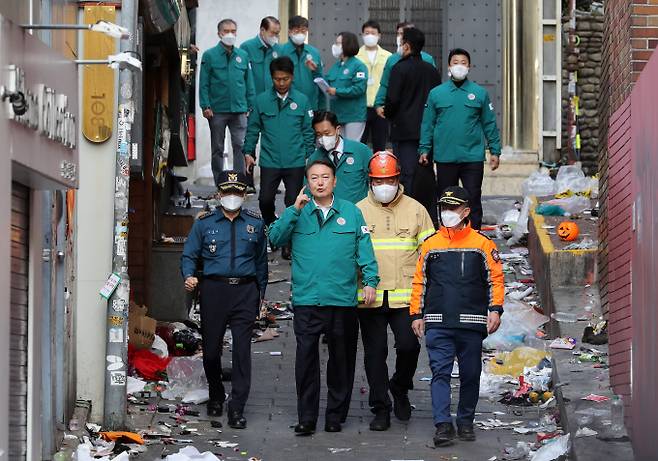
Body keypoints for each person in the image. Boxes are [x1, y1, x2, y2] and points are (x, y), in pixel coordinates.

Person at [268, 159, 379, 435]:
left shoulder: (351, 213)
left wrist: (370, 281)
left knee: (341, 360)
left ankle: (335, 415)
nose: (320, 182)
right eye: (314, 177)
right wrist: (293, 210)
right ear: (307, 181)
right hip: (308, 299)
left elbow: (364, 248)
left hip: (341, 300)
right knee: (305, 361)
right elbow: (274, 238)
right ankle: (307, 417)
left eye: (325, 177)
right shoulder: (299, 212)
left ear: (335, 181)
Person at [409, 186, 504, 447]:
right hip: (438, 322)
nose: (447, 213)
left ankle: (465, 422)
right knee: (439, 373)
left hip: (472, 324)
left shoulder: (482, 245)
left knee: (470, 374)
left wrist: (495, 309)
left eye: (452, 208)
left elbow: (495, 279)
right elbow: (420, 283)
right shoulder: (430, 245)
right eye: (443, 208)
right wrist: (416, 314)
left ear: (466, 211)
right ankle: (442, 425)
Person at [180, 171, 268, 429]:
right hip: (214, 291)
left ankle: (237, 407)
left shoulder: (255, 223)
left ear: (244, 195)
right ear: (218, 194)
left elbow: (261, 263)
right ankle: (216, 394)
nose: (232, 197)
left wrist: (260, 298)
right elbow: (189, 255)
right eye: (227, 192)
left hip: (245, 292)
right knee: (210, 351)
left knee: (242, 352)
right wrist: (188, 276)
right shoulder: (204, 223)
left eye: (237, 192)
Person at [356, 152, 435, 431]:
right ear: (371, 181)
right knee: (374, 354)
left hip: (406, 297)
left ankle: (400, 387)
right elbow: (351, 255)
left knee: (409, 347)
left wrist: (429, 298)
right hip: (370, 297)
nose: (384, 185)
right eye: (379, 180)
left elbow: (430, 256)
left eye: (389, 179)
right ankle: (380, 408)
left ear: (398, 178)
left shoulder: (416, 210)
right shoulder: (359, 211)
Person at [419, 48, 502, 230]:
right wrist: (424, 149)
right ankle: (447, 235)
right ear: (449, 66)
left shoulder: (479, 93)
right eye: (455, 62)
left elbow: (489, 123)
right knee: (447, 200)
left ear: (469, 67)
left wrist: (495, 151)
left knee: (472, 197)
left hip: (472, 157)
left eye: (463, 63)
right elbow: (428, 124)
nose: (459, 66)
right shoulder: (436, 94)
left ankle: (474, 236)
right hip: (445, 157)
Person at [243, 56, 315, 260]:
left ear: (292, 77)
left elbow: (308, 131)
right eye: (277, 79)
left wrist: (310, 155)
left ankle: (288, 242)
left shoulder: (301, 100)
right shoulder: (261, 100)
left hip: (296, 161)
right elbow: (253, 129)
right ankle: (272, 229)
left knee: (294, 202)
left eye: (285, 79)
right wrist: (249, 152)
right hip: (270, 161)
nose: (281, 83)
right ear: (271, 78)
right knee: (265, 200)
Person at [385, 27, 440, 198]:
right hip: (427, 132)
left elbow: (392, 100)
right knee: (425, 172)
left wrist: (388, 114)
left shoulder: (399, 68)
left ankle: (408, 212)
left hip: (404, 131)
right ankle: (428, 211)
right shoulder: (431, 70)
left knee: (406, 174)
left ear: (407, 46)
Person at [199, 19, 255, 187]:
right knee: (217, 148)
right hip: (217, 110)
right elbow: (204, 83)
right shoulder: (209, 55)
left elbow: (249, 83)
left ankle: (238, 183)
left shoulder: (243, 56)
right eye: (226, 31)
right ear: (219, 33)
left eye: (233, 31)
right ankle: (219, 184)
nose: (230, 34)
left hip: (240, 109)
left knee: (240, 146)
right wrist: (205, 105)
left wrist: (250, 106)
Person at [373, 21, 436, 117]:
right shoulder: (392, 59)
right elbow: (385, 84)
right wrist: (378, 104)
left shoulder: (427, 59)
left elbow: (433, 87)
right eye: (398, 33)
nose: (400, 37)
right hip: (398, 111)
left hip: (422, 109)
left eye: (403, 34)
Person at [307, 110, 371, 203]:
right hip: (327, 213)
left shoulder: (361, 151)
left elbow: (375, 183)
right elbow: (308, 191)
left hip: (357, 213)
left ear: (337, 130)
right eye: (319, 135)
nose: (323, 138)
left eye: (327, 133)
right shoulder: (314, 159)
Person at [325, 31, 368, 141]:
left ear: (347, 45)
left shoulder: (359, 66)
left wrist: (337, 91)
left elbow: (359, 89)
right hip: (338, 115)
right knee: (340, 147)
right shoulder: (336, 66)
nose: (335, 46)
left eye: (339, 44)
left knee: (351, 147)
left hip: (354, 115)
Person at [356, 20, 392, 151]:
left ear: (379, 35)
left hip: (380, 107)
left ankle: (378, 170)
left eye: (373, 33)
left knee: (380, 144)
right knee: (360, 143)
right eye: (367, 33)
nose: (370, 35)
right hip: (361, 106)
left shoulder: (388, 57)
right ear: (362, 35)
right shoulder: (356, 56)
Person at [280, 15, 324, 111]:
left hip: (310, 104)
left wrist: (322, 107)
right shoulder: (281, 51)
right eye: (296, 31)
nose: (300, 34)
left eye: (303, 31)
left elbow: (320, 80)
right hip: (287, 103)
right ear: (289, 31)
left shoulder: (314, 52)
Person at [240, 16, 281, 95]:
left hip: (272, 98)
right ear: (262, 30)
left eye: (277, 34)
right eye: (272, 33)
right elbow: (242, 77)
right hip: (254, 97)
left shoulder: (278, 49)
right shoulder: (246, 47)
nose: (275, 37)